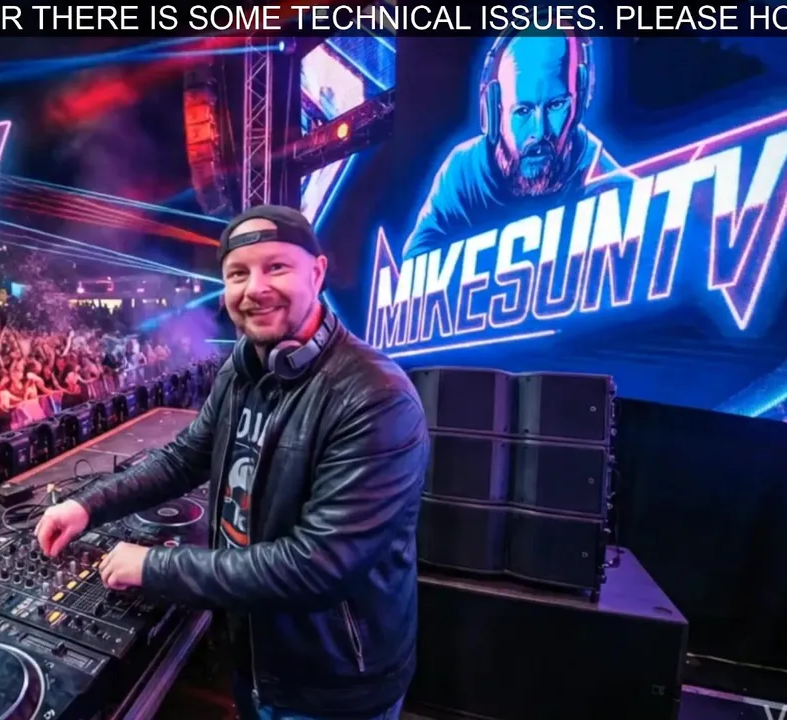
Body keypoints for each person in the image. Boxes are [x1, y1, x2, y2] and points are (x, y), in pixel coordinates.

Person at [36, 205, 428, 720]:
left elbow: (317, 566)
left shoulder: (375, 398)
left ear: (317, 273)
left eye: (276, 267)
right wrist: (86, 506)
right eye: (238, 274)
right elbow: (183, 459)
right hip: (255, 654)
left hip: (330, 684)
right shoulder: (242, 370)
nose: (254, 288)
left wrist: (154, 566)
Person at [403, 33, 633, 259]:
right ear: (494, 110)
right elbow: (415, 261)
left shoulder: (601, 176)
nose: (540, 132)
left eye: (556, 105)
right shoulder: (464, 172)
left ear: (580, 100)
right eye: (522, 111)